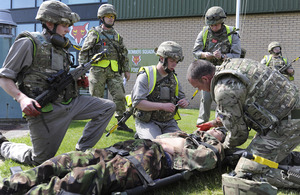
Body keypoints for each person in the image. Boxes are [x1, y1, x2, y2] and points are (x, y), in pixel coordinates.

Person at [0, 1, 116, 166]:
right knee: (38, 160)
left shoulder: (61, 48)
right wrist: (21, 99)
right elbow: (4, 78)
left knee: (107, 107)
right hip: (46, 111)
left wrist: (77, 82)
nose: (68, 30)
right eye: (65, 25)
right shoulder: (28, 43)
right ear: (49, 23)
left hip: (71, 103)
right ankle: (4, 146)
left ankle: (80, 153)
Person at [187, 58, 300, 192]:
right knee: (263, 153)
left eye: (197, 87)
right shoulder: (233, 65)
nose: (200, 90)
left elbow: (239, 135)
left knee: (245, 173)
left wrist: (222, 147)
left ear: (205, 79)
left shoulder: (223, 90)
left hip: (288, 123)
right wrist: (214, 123)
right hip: (293, 113)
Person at [0, 129, 225, 195]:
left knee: (81, 178)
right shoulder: (186, 135)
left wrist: (214, 139)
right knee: (63, 160)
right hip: (127, 148)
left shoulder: (205, 152)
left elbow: (209, 159)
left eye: (218, 131)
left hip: (145, 161)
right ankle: (8, 185)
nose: (213, 128)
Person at [78, 4, 132, 132]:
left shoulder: (117, 36)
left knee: (119, 96)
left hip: (114, 71)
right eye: (108, 16)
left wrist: (126, 70)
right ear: (101, 18)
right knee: (96, 99)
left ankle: (121, 122)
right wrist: (82, 70)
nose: (111, 18)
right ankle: (97, 125)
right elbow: (84, 51)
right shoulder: (94, 33)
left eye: (112, 16)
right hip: (97, 71)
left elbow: (124, 53)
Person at [192, 6, 241, 125]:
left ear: (222, 22)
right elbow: (195, 52)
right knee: (205, 99)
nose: (213, 27)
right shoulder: (204, 33)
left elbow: (237, 55)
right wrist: (204, 55)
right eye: (211, 25)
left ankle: (220, 126)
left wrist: (223, 56)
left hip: (225, 73)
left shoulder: (232, 33)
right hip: (207, 73)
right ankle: (201, 124)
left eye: (216, 25)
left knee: (222, 99)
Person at [131, 41, 189, 139]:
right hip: (148, 121)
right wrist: (162, 106)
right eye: (172, 61)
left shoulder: (173, 78)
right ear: (162, 58)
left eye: (177, 61)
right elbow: (137, 103)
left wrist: (184, 102)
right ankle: (143, 135)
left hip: (169, 122)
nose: (174, 64)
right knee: (156, 146)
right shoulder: (146, 75)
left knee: (184, 144)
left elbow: (182, 97)